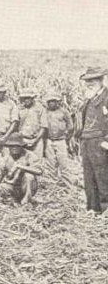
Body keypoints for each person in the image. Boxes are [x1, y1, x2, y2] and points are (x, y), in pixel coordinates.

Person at [75, 67, 108, 213]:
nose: (89, 83)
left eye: (92, 80)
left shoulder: (106, 97)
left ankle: (105, 209)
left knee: (102, 176)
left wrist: (106, 141)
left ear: (101, 80)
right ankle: (93, 209)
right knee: (89, 176)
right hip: (87, 141)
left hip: (100, 142)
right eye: (87, 80)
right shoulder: (89, 98)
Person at [0, 133, 43, 205]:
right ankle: (12, 199)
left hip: (26, 186)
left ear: (22, 146)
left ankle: (27, 198)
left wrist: (20, 167)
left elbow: (39, 171)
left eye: (17, 146)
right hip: (11, 186)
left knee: (29, 176)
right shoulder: (5, 159)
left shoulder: (29, 155)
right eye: (12, 146)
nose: (14, 148)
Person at [43, 90, 75, 186]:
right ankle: (52, 183)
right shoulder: (45, 112)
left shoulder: (64, 112)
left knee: (63, 162)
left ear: (58, 102)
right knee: (50, 163)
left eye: (53, 101)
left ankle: (67, 183)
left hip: (61, 140)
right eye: (49, 101)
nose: (51, 103)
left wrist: (66, 138)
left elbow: (71, 127)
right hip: (49, 140)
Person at [17, 88, 48, 158]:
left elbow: (44, 126)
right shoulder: (19, 109)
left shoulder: (40, 108)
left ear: (32, 98)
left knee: (37, 163)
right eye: (24, 98)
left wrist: (35, 140)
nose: (26, 100)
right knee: (23, 161)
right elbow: (16, 124)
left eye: (28, 98)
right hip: (23, 139)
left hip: (37, 139)